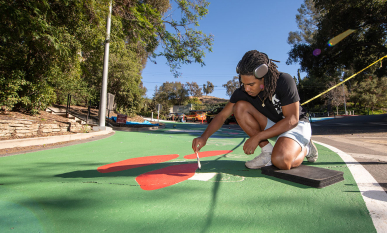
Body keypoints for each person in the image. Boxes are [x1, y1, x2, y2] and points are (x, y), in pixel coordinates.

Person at [192, 50, 318, 170]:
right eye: (244, 83)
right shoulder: (242, 92)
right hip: (273, 127)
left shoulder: (284, 81)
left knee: (281, 161)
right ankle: (267, 152)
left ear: (265, 77)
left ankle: (307, 148)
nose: (246, 89)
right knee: (239, 107)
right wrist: (204, 137)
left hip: (295, 126)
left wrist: (258, 137)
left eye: (251, 84)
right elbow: (222, 116)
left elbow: (292, 119)